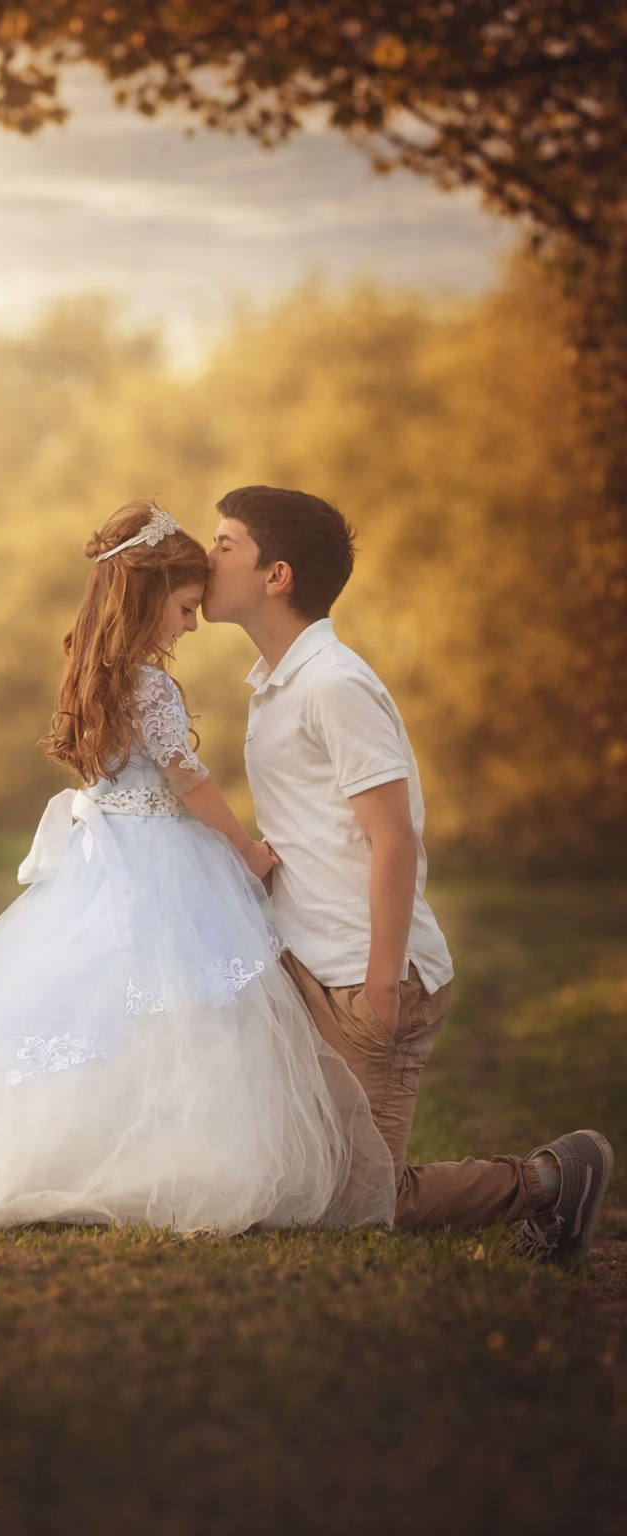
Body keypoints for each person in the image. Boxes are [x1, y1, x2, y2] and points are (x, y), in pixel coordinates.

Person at [0, 499, 396, 1236]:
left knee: (109, 1015)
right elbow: (188, 782)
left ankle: (75, 1159)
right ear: (150, 597)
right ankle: (181, 1166)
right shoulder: (150, 686)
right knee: (187, 1013)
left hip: (102, 866)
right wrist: (249, 851)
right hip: (160, 862)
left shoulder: (90, 674)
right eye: (186, 608)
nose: (192, 624)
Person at [202, 483, 614, 1262]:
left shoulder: (336, 683)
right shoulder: (275, 686)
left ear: (276, 575)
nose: (207, 555)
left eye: (225, 544)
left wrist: (383, 989)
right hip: (306, 969)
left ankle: (554, 1181)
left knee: (360, 1206)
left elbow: (394, 840)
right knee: (298, 1185)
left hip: (371, 978)